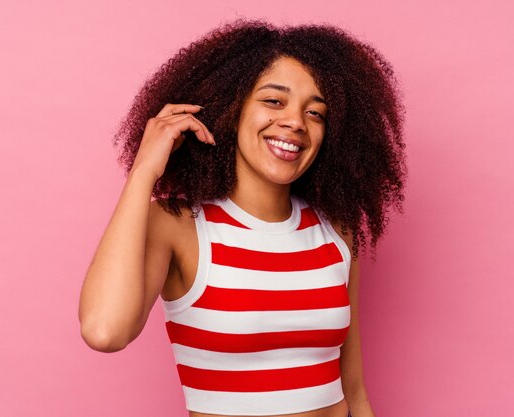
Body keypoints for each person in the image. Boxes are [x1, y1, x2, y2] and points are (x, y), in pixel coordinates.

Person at [79, 18, 406, 417]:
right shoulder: (178, 224)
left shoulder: (336, 232)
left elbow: (354, 391)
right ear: (233, 108)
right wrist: (144, 170)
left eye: (315, 112)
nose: (295, 122)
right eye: (273, 101)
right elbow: (105, 331)